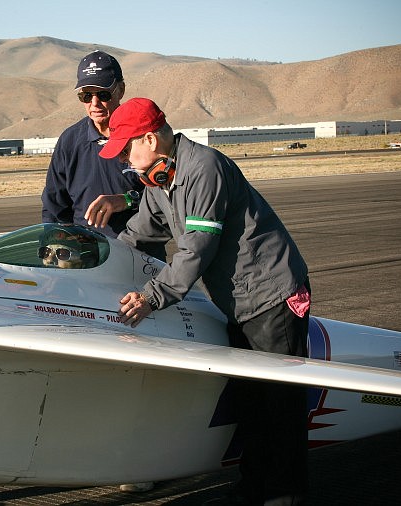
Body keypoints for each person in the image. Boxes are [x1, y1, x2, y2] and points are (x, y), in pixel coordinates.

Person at [100, 98, 311, 505]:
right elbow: (140, 234)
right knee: (250, 401)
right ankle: (253, 488)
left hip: (273, 295)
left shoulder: (203, 169)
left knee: (278, 406)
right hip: (239, 299)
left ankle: (285, 496)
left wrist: (150, 297)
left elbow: (196, 250)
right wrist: (102, 264)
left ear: (150, 138)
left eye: (128, 149)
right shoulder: (160, 180)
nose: (125, 158)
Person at [40, 50, 165, 261]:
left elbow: (168, 198)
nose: (94, 103)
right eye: (86, 96)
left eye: (103, 94)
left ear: (121, 90)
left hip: (140, 255)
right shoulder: (70, 141)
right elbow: (54, 205)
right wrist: (53, 245)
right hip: (85, 258)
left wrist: (126, 200)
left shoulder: (144, 137)